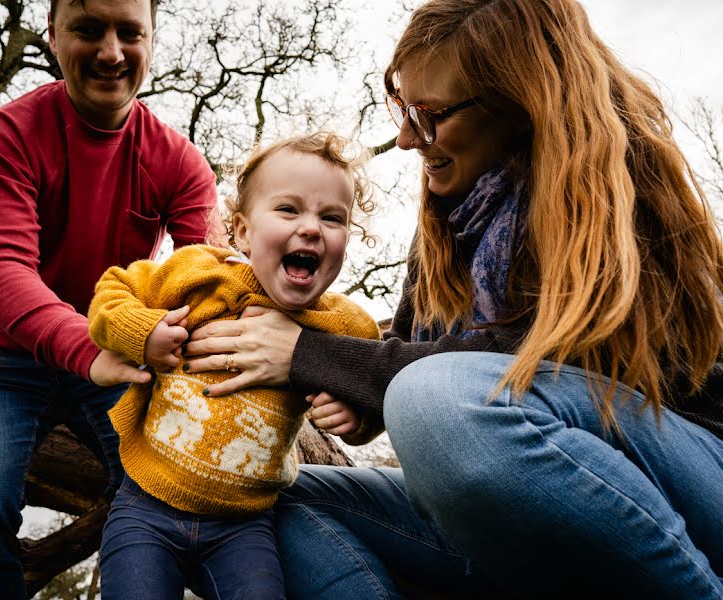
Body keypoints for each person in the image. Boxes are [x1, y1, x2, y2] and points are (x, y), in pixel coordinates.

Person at [181, 0, 723, 598]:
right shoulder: (453, 215)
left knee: (432, 400)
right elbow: (418, 358)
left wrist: (310, 354)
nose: (409, 137)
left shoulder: (613, 184)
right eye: (404, 108)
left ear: (518, 101)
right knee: (250, 504)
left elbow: (533, 365)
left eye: (432, 114)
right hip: (516, 535)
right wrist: (361, 404)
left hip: (687, 482)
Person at [0, 0, 221, 596]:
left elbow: (213, 278)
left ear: (152, 41)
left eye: (129, 33)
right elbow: (4, 273)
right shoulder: (3, 136)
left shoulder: (181, 162)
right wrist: (89, 347)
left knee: (175, 487)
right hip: (4, 356)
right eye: (89, 30)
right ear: (54, 37)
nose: (111, 52)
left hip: (123, 351)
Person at [88, 132, 382, 600]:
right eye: (288, 210)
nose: (311, 228)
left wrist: (360, 418)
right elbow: (115, 286)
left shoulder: (341, 323)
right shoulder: (201, 273)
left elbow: (376, 382)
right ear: (242, 231)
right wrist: (140, 332)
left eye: (332, 217)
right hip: (146, 508)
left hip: (244, 529)